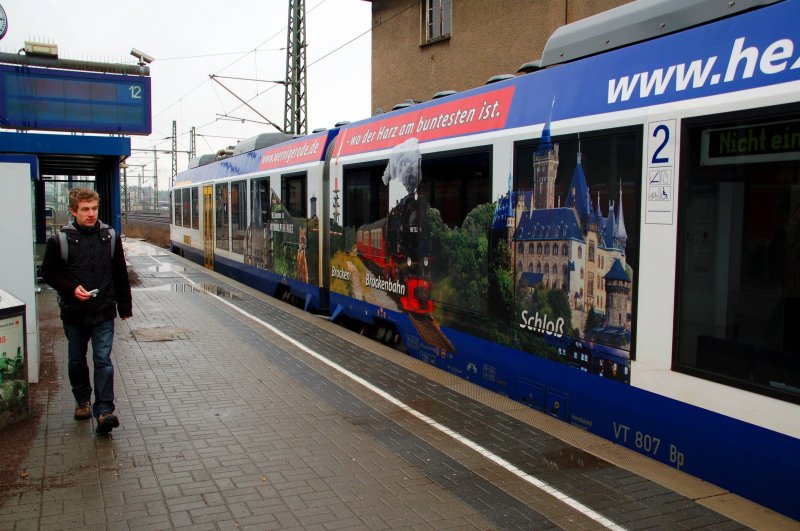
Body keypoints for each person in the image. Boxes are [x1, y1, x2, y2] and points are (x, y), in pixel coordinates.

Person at [41, 188, 132, 434]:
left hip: (103, 311)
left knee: (102, 360)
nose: (91, 214)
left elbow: (119, 273)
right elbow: (48, 273)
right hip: (74, 312)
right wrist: (72, 289)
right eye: (85, 209)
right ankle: (82, 400)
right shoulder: (60, 240)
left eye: (94, 208)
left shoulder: (109, 237)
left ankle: (104, 410)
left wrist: (125, 307)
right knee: (76, 359)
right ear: (74, 211)